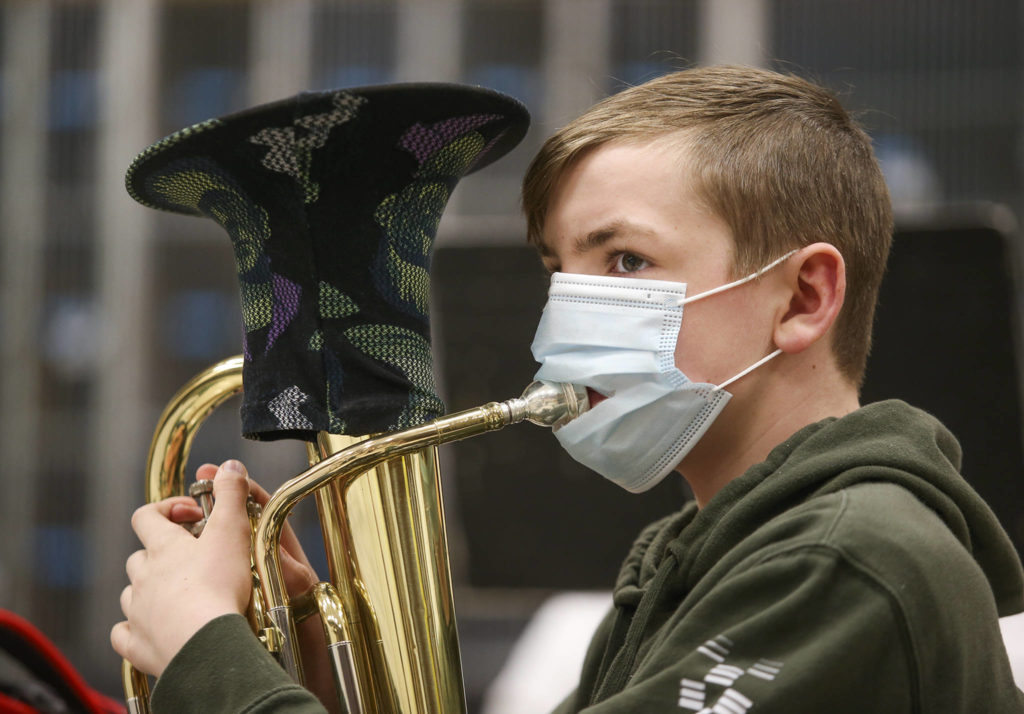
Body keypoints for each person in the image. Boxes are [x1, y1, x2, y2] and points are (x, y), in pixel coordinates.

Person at [112, 65, 1024, 712]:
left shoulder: (842, 564)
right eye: (560, 269)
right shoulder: (698, 554)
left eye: (624, 260)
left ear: (803, 297)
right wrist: (310, 660)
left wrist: (208, 658)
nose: (563, 315)